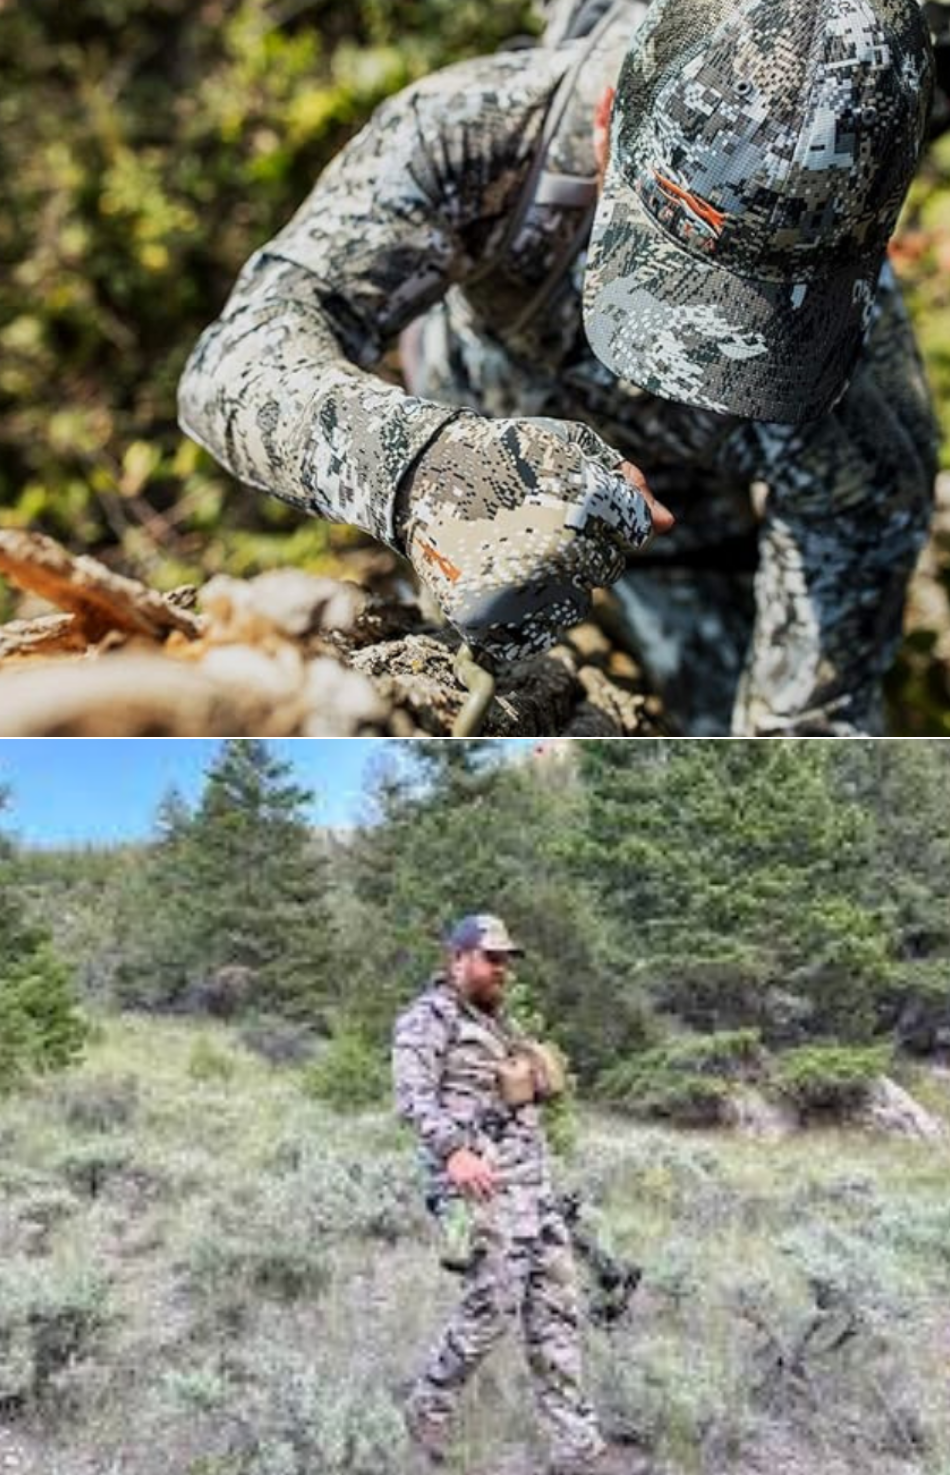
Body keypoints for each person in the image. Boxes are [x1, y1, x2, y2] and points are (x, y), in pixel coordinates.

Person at [177, 0, 943, 735]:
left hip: (697, 527)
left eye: (769, 306)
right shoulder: (473, 139)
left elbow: (808, 719)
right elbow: (234, 361)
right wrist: (421, 469)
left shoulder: (869, 428)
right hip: (478, 443)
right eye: (672, 264)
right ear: (608, 116)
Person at [391, 914, 631, 1475]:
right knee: (490, 1309)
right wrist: (454, 1152)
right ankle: (428, 1406)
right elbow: (412, 1097)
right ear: (458, 960)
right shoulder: (427, 1019)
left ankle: (578, 1446)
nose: (503, 970)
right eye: (491, 959)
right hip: (479, 1191)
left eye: (507, 961)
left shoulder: (500, 1023)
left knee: (556, 1312)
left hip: (533, 1189)